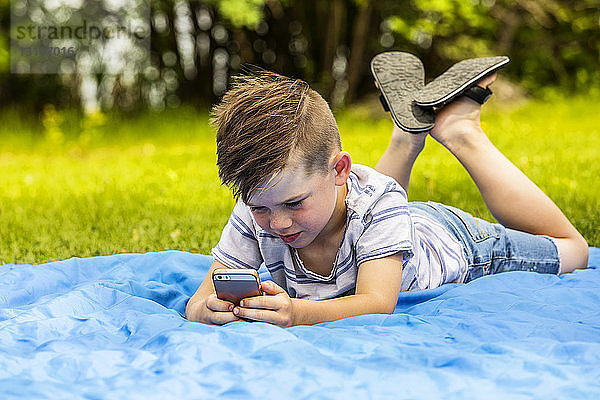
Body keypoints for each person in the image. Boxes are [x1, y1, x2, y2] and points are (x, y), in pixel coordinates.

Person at [185, 70, 588, 327]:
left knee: (575, 253)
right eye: (260, 207)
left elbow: (378, 302)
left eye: (294, 204)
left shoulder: (376, 202)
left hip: (457, 242)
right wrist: (206, 310)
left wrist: (297, 313)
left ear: (339, 170)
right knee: (374, 207)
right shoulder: (259, 206)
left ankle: (460, 130)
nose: (278, 223)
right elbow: (197, 301)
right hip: (385, 223)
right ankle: (408, 134)